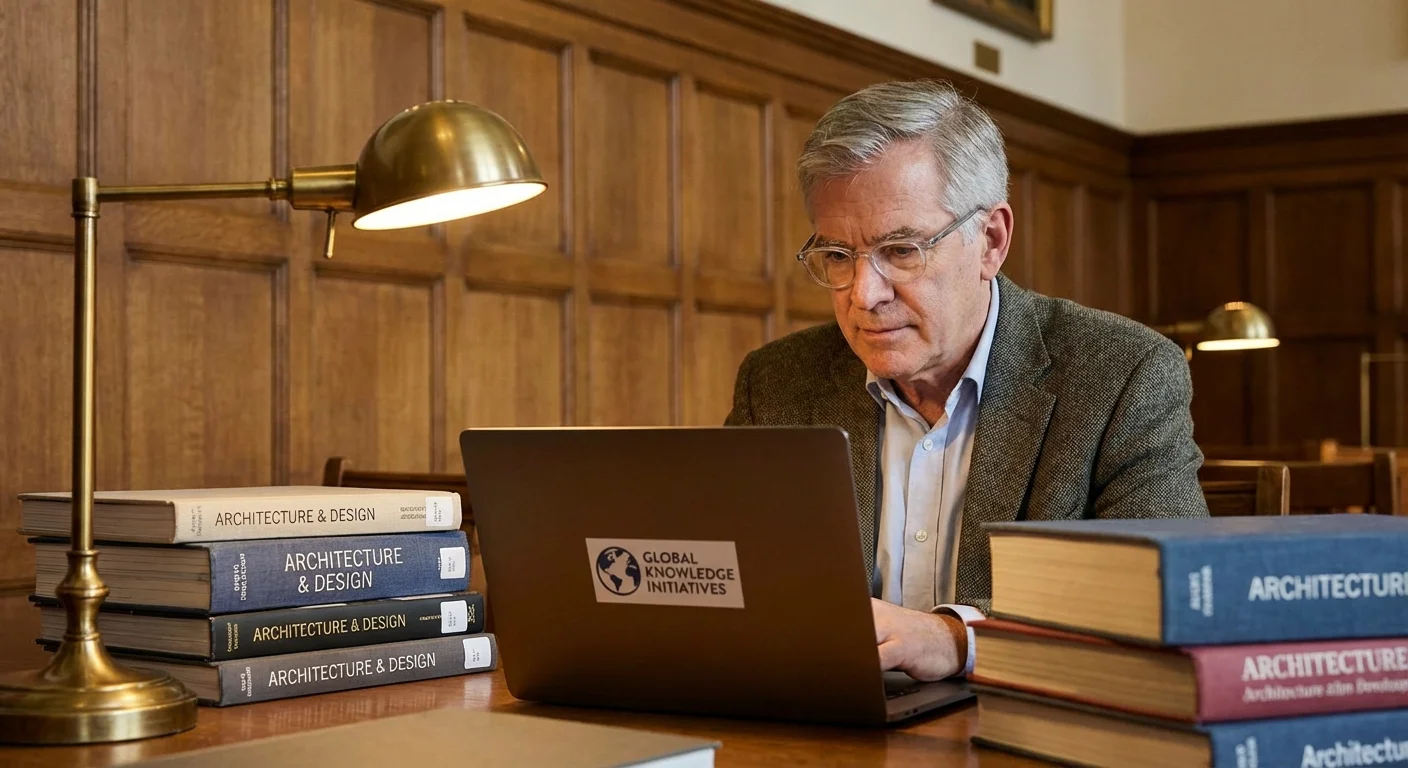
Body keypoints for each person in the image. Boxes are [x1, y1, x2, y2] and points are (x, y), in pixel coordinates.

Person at [724, 80, 1209, 683]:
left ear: (991, 241)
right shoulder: (776, 382)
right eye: (837, 256)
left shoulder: (1123, 373)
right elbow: (731, 587)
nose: (863, 295)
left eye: (900, 250)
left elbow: (1163, 599)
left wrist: (958, 640)